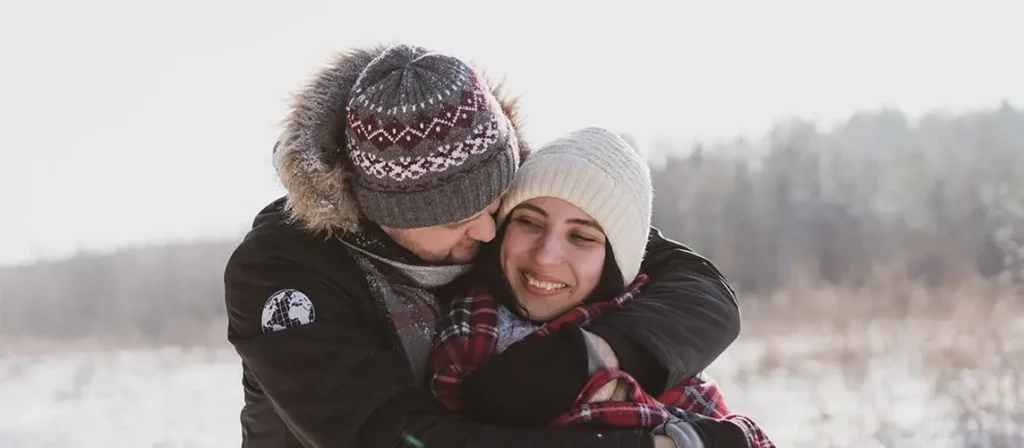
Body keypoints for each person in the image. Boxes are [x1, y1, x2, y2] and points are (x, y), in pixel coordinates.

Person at [223, 43, 741, 448]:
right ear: (384, 214)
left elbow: (698, 287)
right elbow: (391, 438)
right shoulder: (285, 274)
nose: (490, 234)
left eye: (495, 207)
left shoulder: (520, 202)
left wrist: (594, 354)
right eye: (460, 221)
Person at [429, 127, 776, 448]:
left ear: (615, 263)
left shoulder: (658, 357)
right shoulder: (448, 325)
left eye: (581, 236)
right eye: (529, 222)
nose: (546, 256)